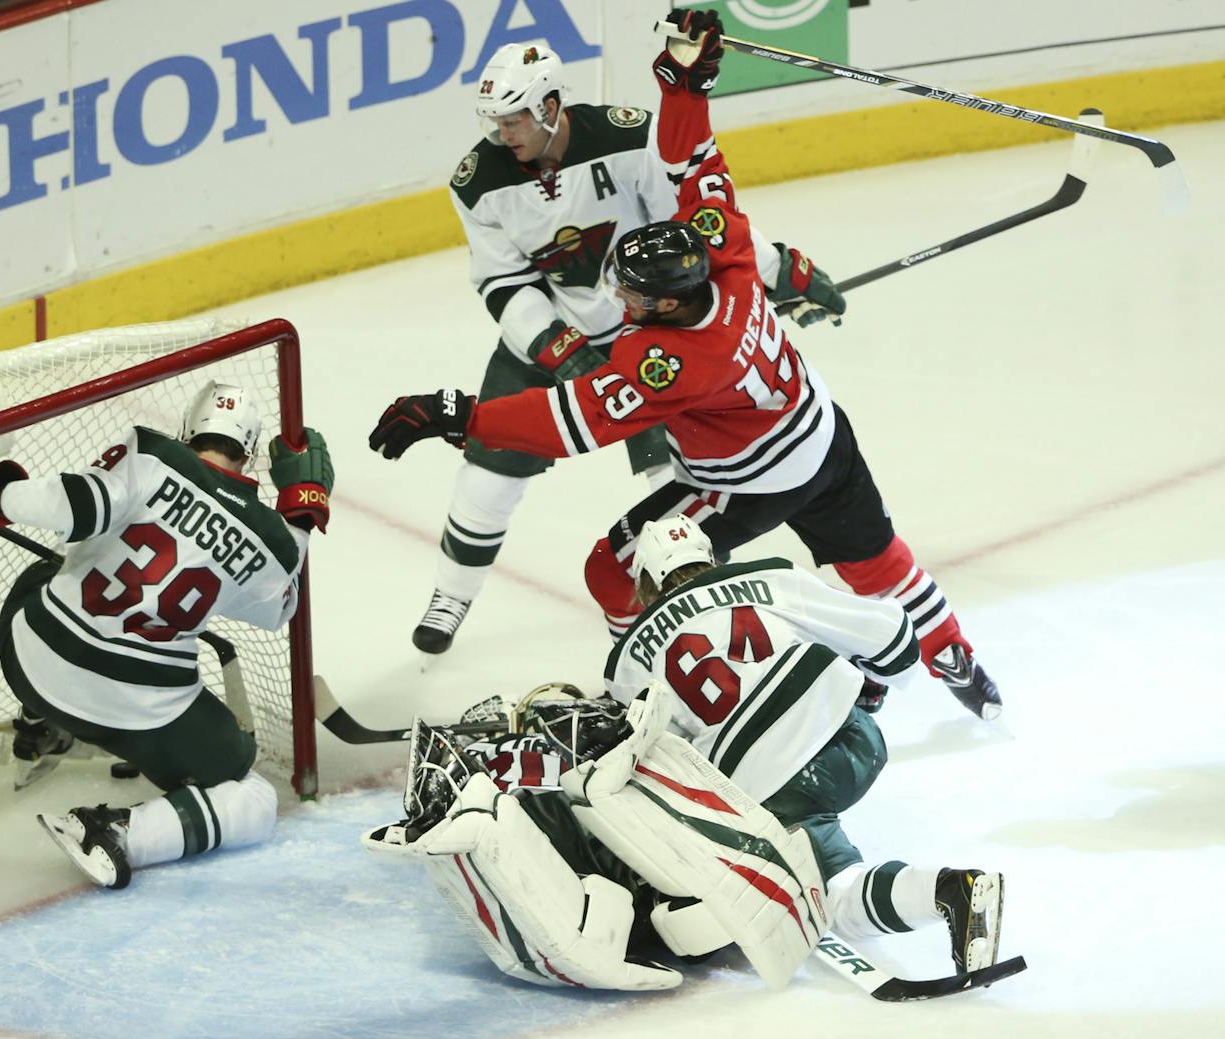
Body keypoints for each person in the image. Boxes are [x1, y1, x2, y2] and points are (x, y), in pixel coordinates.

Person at [368, 9, 1001, 720]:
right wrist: (682, 79)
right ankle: (959, 661)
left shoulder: (667, 362)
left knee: (613, 566)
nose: (619, 298)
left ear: (663, 306)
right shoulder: (722, 246)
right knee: (879, 561)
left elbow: (566, 422)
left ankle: (642, 697)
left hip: (747, 482)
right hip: (822, 436)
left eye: (631, 294)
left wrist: (460, 413)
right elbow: (692, 159)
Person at [365, 514, 1007, 990]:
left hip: (766, 782)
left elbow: (654, 759)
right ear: (711, 557)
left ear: (645, 587)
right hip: (854, 741)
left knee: (824, 897)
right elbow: (895, 638)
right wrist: (862, 688)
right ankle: (946, 891)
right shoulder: (771, 577)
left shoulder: (628, 657)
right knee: (824, 849)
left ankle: (949, 891)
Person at [0, 381, 334, 888]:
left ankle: (41, 722)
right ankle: (117, 834)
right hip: (141, 712)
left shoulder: (151, 450)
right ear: (248, 456)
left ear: (187, 430)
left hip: (29, 656)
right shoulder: (272, 537)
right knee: (250, 795)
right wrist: (300, 516)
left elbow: (76, 506)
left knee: (46, 575)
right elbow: (279, 610)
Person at [410, 39, 681, 656]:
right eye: (495, 122)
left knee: (671, 475)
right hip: (545, 339)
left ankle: (690, 592)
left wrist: (768, 272)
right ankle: (451, 595)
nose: (503, 135)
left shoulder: (631, 139)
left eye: (515, 120)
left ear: (553, 105)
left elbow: (683, 227)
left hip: (646, 333)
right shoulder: (478, 182)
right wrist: (561, 348)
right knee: (488, 473)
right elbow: (502, 281)